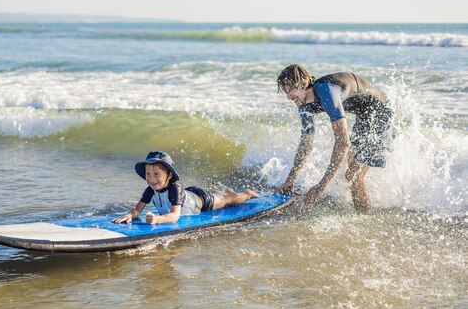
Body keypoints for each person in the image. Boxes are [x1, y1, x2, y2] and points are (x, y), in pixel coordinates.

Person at [276, 64, 394, 210]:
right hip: (364, 116)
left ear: (304, 83)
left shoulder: (326, 92)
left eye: (291, 90)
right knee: (349, 172)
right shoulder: (303, 105)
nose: (288, 97)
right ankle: (362, 210)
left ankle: (365, 219)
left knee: (353, 176)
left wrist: (321, 186)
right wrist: (290, 181)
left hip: (380, 113)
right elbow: (306, 144)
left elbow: (343, 142)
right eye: (285, 92)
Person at [112, 151, 258, 224]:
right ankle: (228, 191)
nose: (151, 179)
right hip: (188, 195)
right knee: (223, 196)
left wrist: (157, 219)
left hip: (201, 200)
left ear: (169, 175)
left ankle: (246, 193)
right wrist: (131, 214)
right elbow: (138, 209)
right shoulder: (150, 190)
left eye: (157, 174)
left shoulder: (174, 190)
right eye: (148, 174)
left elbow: (175, 216)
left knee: (228, 201)